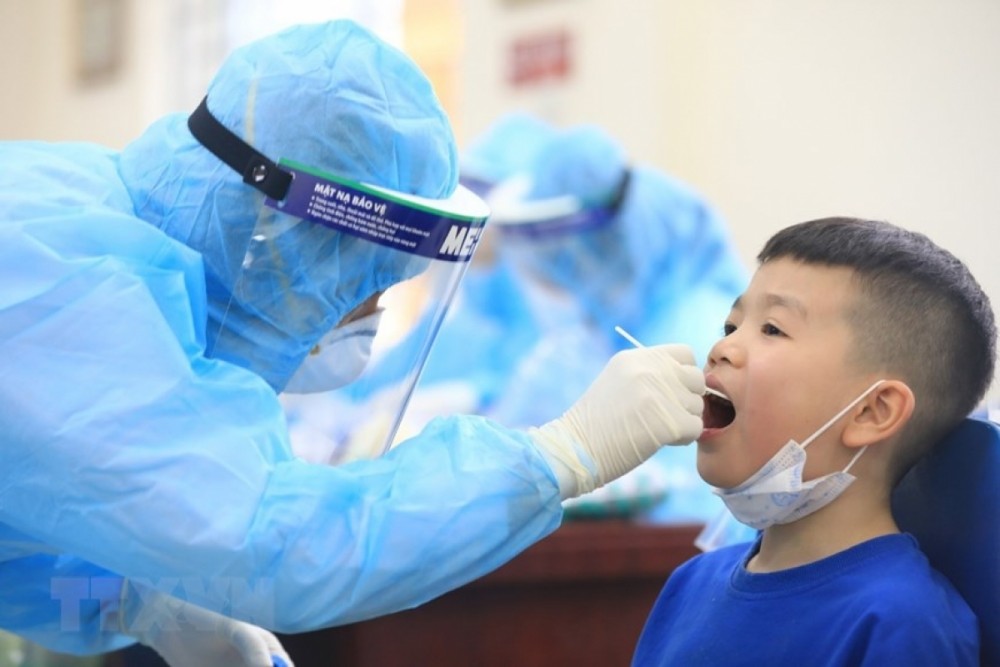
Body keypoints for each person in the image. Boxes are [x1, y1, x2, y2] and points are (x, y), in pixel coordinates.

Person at [0, 20, 709, 667]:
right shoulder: (72, 295)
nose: (370, 310)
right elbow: (273, 545)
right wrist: (559, 458)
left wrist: (127, 602)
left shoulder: (93, 224)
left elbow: (17, 547)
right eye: (362, 279)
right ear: (278, 242)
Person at [302, 121, 746, 520]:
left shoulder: (700, 325)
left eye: (571, 262)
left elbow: (697, 495)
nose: (566, 280)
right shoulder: (597, 332)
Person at [632, 217, 995, 665]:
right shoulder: (690, 584)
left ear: (871, 411)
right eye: (731, 327)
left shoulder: (901, 623)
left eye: (772, 329)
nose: (720, 349)